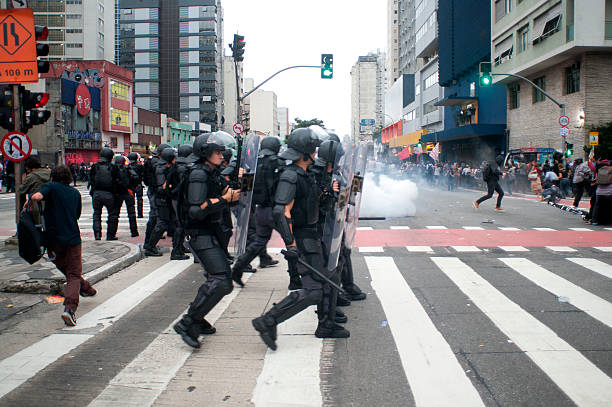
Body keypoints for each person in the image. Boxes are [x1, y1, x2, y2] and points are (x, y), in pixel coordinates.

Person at [252, 128, 349, 352]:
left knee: (331, 275)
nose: (316, 154)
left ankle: (326, 323)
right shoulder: (290, 176)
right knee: (314, 290)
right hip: (303, 239)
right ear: (305, 153)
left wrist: (326, 194)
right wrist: (291, 244)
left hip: (313, 235)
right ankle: (268, 320)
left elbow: (309, 204)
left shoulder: (303, 174)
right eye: (313, 150)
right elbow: (280, 212)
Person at [173, 134, 241, 348]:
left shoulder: (213, 173)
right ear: (205, 153)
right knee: (221, 279)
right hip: (199, 233)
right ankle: (188, 322)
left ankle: (198, 317)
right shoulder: (198, 174)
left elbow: (224, 192)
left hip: (210, 231)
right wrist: (224, 199)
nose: (222, 155)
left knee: (220, 279)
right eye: (218, 152)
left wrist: (240, 186)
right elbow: (196, 209)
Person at [29, 165, 97, 326]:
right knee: (73, 274)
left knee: (68, 271)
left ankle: (86, 289)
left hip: (52, 239)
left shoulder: (50, 187)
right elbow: (77, 214)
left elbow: (37, 197)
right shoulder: (74, 193)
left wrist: (31, 201)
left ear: (52, 176)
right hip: (72, 237)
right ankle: (70, 309)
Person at [231, 136, 291, 288]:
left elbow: (246, 188)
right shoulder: (279, 163)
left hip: (260, 210)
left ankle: (238, 268)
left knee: (258, 242)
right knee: (292, 243)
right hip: (277, 210)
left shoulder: (253, 164)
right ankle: (295, 278)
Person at [144, 147, 176, 257]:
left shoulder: (165, 167)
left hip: (165, 199)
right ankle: (150, 246)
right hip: (162, 199)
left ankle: (178, 247)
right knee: (162, 223)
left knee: (171, 222)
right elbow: (161, 188)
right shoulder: (161, 169)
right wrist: (171, 186)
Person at [167, 144, 192, 260]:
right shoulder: (182, 167)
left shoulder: (176, 165)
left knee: (180, 224)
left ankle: (180, 247)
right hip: (179, 199)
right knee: (180, 224)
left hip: (176, 198)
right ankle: (176, 250)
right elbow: (183, 185)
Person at [88, 148, 120, 240]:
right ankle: (110, 235)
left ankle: (97, 234)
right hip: (109, 194)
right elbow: (117, 181)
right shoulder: (113, 167)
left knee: (97, 214)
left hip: (97, 193)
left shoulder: (95, 166)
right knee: (112, 215)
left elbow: (91, 179)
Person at [18, 156, 50, 225]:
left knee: (37, 227)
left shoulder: (31, 176)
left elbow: (21, 191)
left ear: (29, 168)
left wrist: (24, 180)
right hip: (51, 204)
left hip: (36, 206)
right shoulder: (50, 173)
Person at [112, 155, 139, 237]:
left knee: (115, 214)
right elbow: (136, 178)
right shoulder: (128, 168)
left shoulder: (113, 169)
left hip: (118, 193)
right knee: (131, 213)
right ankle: (134, 232)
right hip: (128, 192)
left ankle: (112, 233)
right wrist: (132, 187)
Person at [127, 152, 145, 218]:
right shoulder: (140, 166)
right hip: (138, 184)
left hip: (130, 185)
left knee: (131, 201)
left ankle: (131, 213)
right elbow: (143, 174)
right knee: (139, 200)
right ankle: (140, 214)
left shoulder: (128, 166)